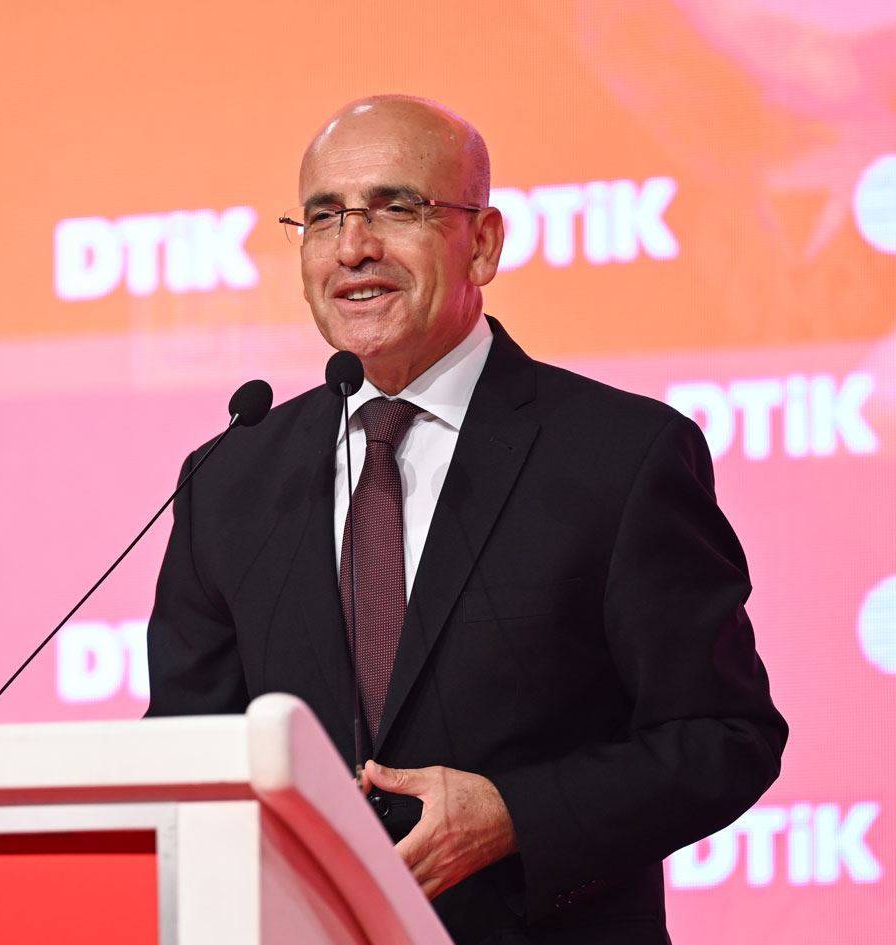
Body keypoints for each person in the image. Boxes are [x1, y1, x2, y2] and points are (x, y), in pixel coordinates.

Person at [144, 95, 786, 945]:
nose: (353, 247)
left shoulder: (620, 455)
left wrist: (514, 815)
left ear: (482, 243)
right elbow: (186, 756)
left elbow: (725, 737)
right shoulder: (231, 478)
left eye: (395, 208)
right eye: (324, 216)